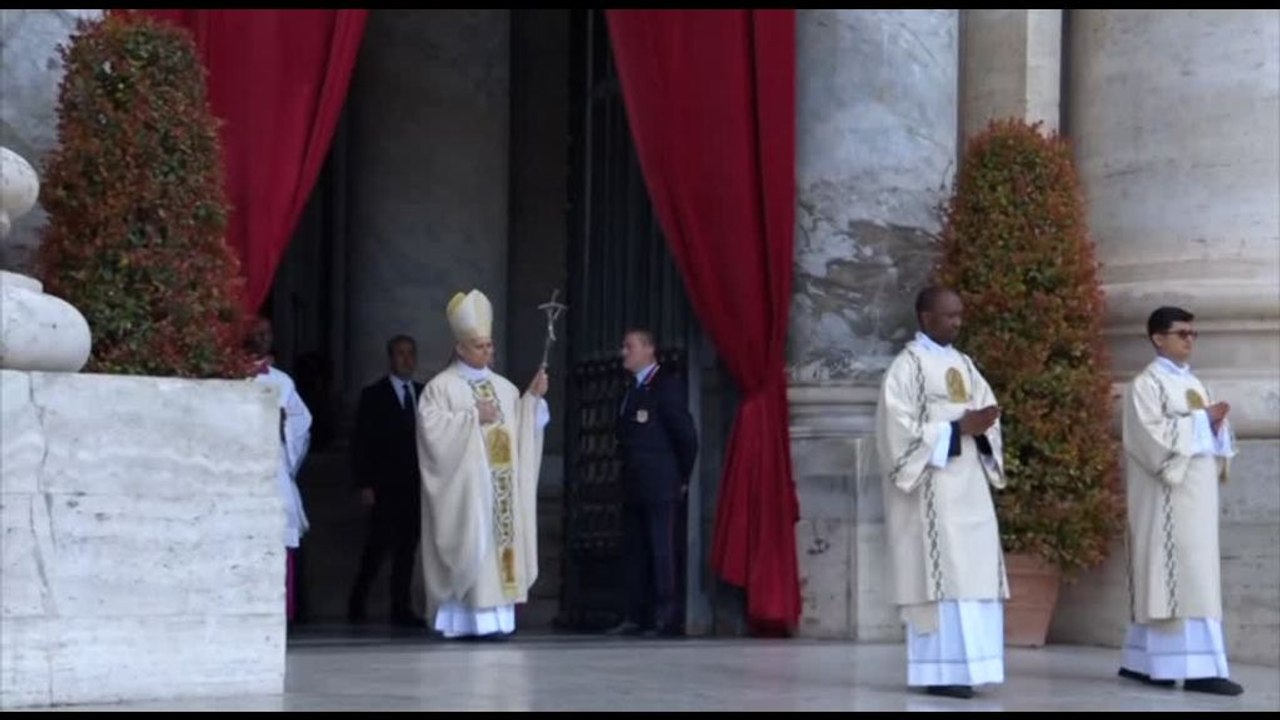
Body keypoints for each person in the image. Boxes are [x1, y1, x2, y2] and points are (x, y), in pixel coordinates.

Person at [874, 286, 1007, 700]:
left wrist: (984, 427)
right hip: (931, 492)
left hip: (970, 488)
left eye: (960, 315)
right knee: (943, 578)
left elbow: (988, 414)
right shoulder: (907, 367)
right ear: (926, 317)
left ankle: (973, 668)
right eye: (948, 315)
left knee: (973, 576)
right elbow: (896, 433)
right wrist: (954, 430)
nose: (956, 322)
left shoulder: (965, 366)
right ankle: (941, 671)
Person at [1117, 306, 1243, 696]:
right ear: (1158, 338)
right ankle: (1197, 668)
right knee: (1181, 577)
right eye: (1181, 333)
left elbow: (1212, 438)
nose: (1189, 339)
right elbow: (1148, 440)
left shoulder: (1195, 384)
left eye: (1193, 333)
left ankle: (1141, 661)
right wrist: (1202, 423)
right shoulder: (1145, 385)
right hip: (1166, 496)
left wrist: (1217, 427)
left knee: (1195, 574)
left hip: (1197, 496)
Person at [416, 289, 549, 639]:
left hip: (500, 492)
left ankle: (496, 620)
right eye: (479, 345)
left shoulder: (504, 388)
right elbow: (431, 433)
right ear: (460, 347)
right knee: (471, 550)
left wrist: (532, 400)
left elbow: (520, 431)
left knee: (499, 551)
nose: (487, 351)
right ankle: (460, 620)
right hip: (467, 494)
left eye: (489, 345)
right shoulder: (440, 388)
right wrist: (473, 417)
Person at [606, 328, 698, 637]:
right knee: (635, 551)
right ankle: (636, 613)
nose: (624, 352)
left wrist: (680, 477)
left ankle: (665, 615)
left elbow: (685, 436)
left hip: (660, 483)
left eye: (629, 346)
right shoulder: (630, 389)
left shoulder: (665, 387)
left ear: (648, 349)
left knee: (661, 549)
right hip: (633, 484)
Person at [347, 335, 426, 626]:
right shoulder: (374, 395)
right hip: (384, 484)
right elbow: (361, 442)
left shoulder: (424, 392)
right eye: (400, 354)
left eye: (410, 354)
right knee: (377, 548)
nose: (406, 359)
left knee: (407, 549)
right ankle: (357, 602)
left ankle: (401, 607)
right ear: (390, 358)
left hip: (415, 485)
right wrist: (364, 483)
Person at [246, 317, 312, 623]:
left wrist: (284, 425)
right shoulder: (228, 377)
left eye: (267, 334)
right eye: (256, 333)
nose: (262, 338)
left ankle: (283, 614)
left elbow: (301, 426)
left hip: (274, 468)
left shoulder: (283, 382)